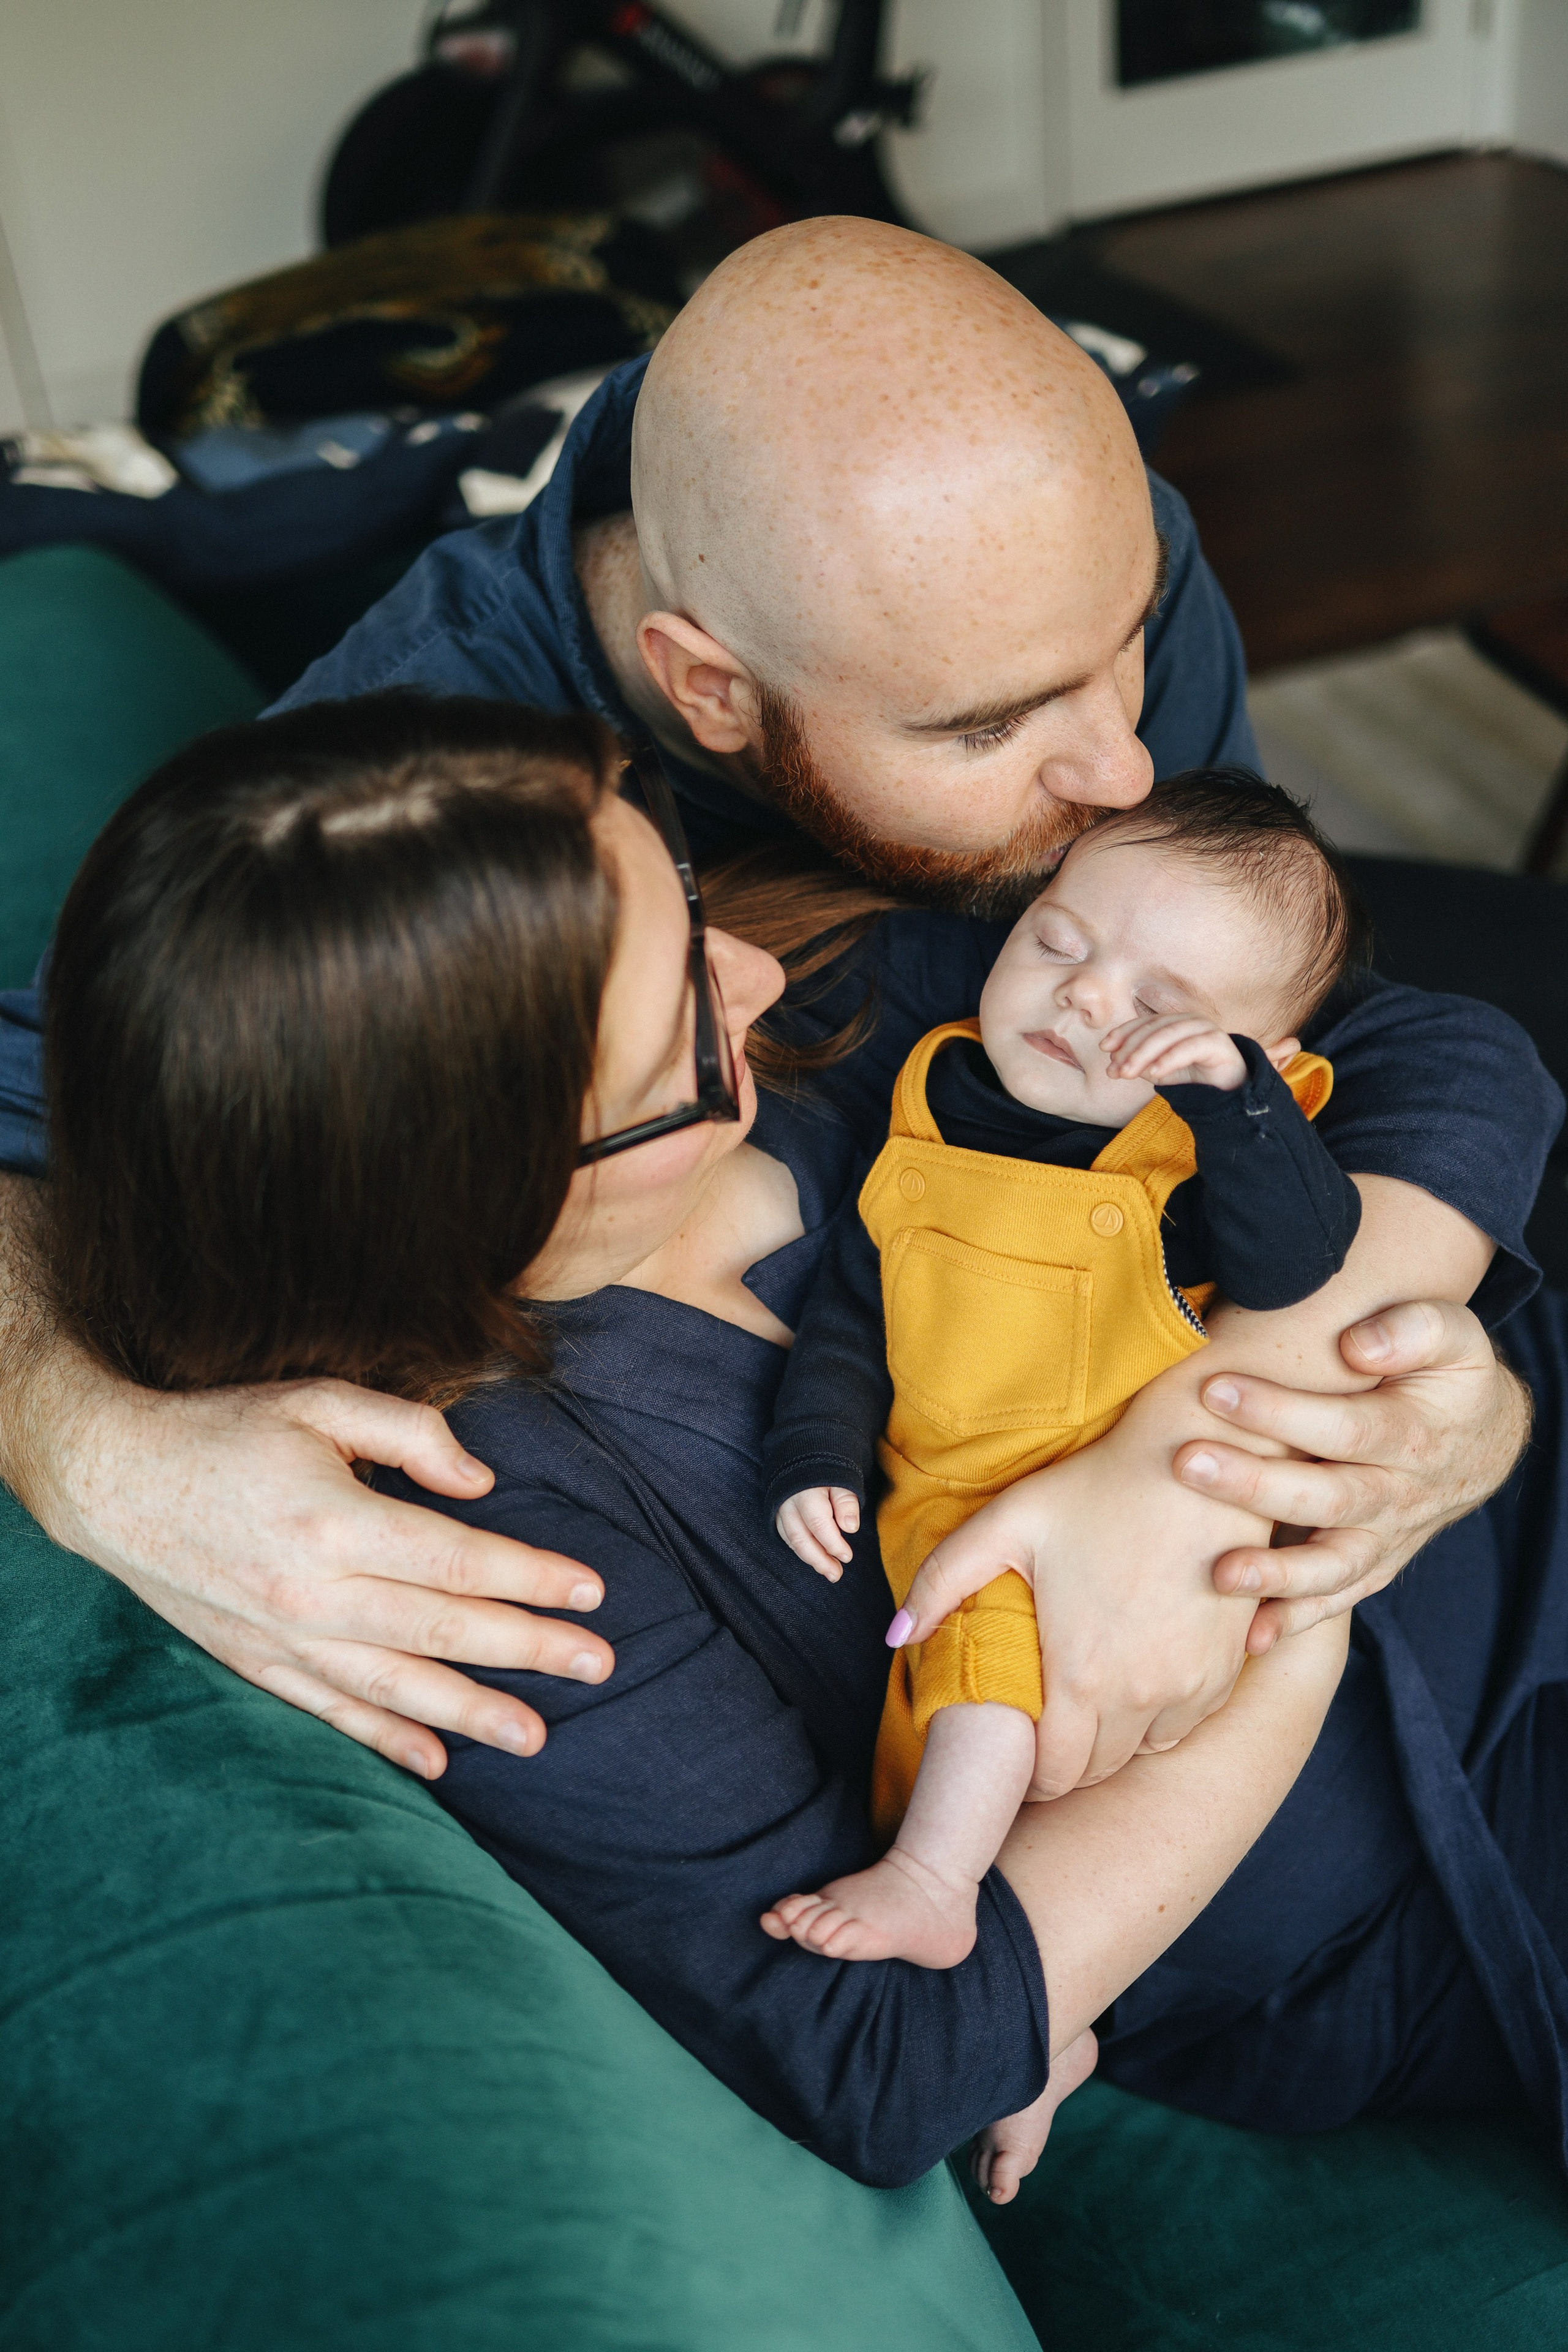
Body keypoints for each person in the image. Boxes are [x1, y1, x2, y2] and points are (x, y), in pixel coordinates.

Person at [0, 216, 1545, 1793]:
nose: (1123, 770)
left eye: (1128, 636)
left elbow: (1307, 1023)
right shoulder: (422, 784)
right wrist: (84, 1443)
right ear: (709, 691)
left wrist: (1335, 1410)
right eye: (988, 724)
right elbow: (45, 1107)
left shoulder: (1061, 562)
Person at [38, 693, 1568, 2220]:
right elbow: (875, 2058)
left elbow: (1430, 1049)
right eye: (680, 1042)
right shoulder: (501, 1545)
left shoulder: (833, 1003)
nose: (754, 973)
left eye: (687, 900)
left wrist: (1223, 1457)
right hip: (1439, 1883)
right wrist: (1286, 1616)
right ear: (484, 1205)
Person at [763, 775, 1365, 1989]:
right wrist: (812, 1453)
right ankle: (1053, 2025)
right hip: (937, 1488)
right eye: (1056, 942)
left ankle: (937, 1889)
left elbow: (1298, 1262)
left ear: (1248, 1055)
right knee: (983, 1732)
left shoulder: (1194, 1159)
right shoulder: (928, 1091)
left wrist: (1236, 1105)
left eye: (1157, 1007)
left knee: (1001, 1675)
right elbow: (850, 1306)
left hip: (1104, 1504)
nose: (1084, 997)